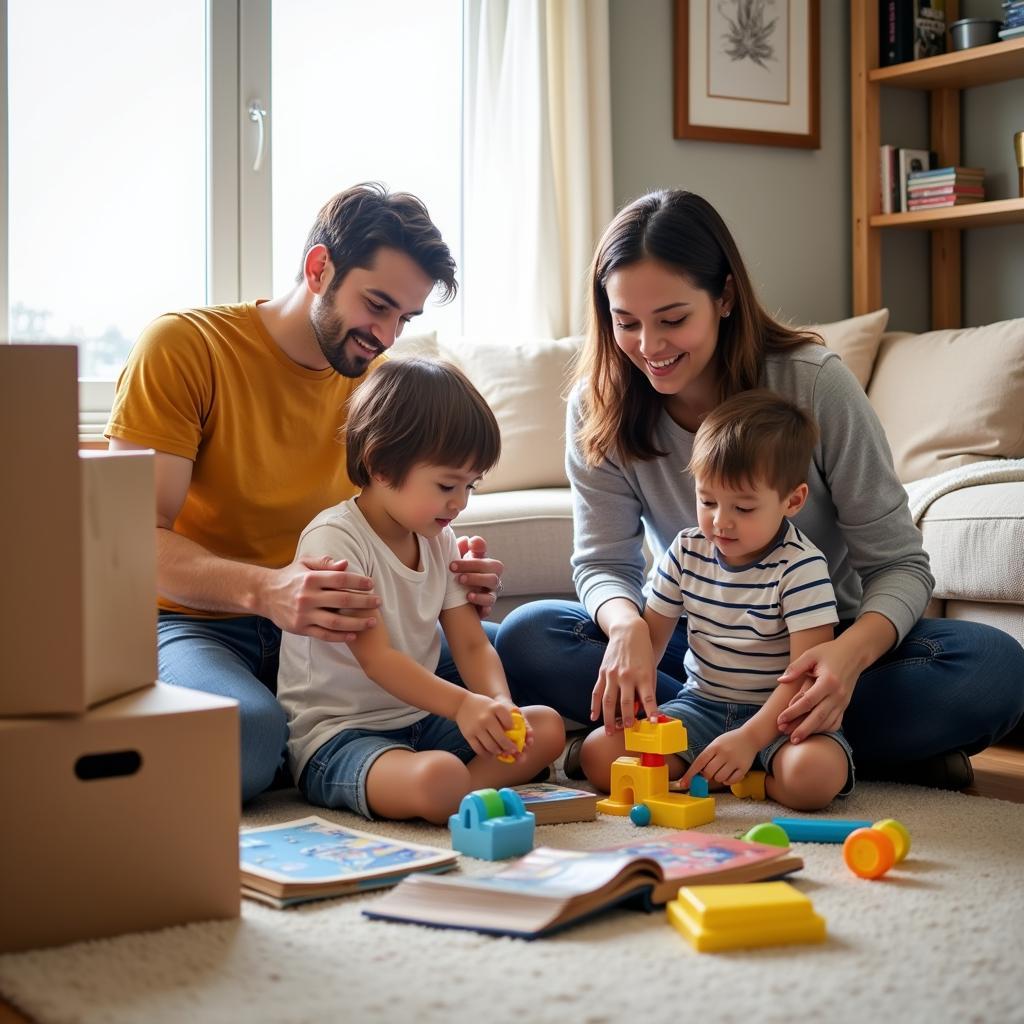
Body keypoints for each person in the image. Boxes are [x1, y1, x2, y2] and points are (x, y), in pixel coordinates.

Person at [496, 188, 1024, 789]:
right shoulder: (599, 407)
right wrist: (626, 631)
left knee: (993, 668)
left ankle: (764, 737)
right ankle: (831, 748)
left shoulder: (813, 383)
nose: (649, 346)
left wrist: (845, 661)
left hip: (821, 643)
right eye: (626, 322)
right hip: (699, 655)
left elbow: (901, 567)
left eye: (672, 320)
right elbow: (602, 565)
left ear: (723, 297)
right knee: (532, 635)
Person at [105, 183, 505, 803]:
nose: (387, 335)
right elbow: (126, 545)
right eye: (377, 305)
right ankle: (320, 751)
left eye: (404, 318)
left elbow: (392, 516)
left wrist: (439, 562)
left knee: (529, 658)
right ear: (320, 268)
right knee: (243, 741)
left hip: (335, 636)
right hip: (200, 623)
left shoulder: (379, 386)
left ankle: (346, 750)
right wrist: (268, 589)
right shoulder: (187, 348)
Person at [277, 358, 565, 823]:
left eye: (471, 485)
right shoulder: (336, 540)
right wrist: (463, 705)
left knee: (545, 727)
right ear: (381, 465)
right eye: (448, 484)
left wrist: (498, 705)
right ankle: (455, 794)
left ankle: (457, 798)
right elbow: (378, 660)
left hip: (420, 722)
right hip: (342, 736)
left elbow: (470, 642)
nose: (461, 502)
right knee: (437, 777)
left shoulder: (437, 537)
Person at [579, 390, 852, 810]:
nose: (720, 521)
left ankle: (753, 781)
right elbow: (649, 643)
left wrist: (751, 738)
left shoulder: (802, 567)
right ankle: (718, 770)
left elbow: (805, 678)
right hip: (700, 705)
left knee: (814, 778)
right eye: (707, 501)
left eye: (743, 508)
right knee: (599, 754)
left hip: (779, 715)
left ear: (792, 501)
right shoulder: (687, 550)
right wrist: (637, 701)